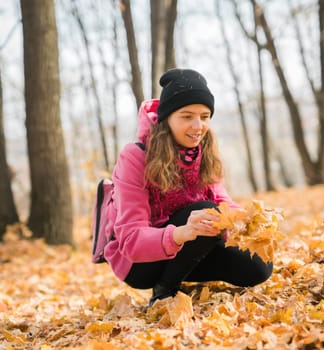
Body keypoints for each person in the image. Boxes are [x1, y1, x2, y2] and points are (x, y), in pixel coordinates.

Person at [103, 68, 273, 306]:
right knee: (207, 211)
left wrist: (249, 221)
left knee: (259, 266)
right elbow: (131, 239)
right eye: (187, 116)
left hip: (189, 245)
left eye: (204, 117)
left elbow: (223, 201)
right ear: (167, 118)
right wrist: (179, 233)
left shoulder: (203, 151)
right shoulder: (135, 156)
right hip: (139, 263)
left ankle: (181, 272)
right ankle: (164, 289)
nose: (197, 126)